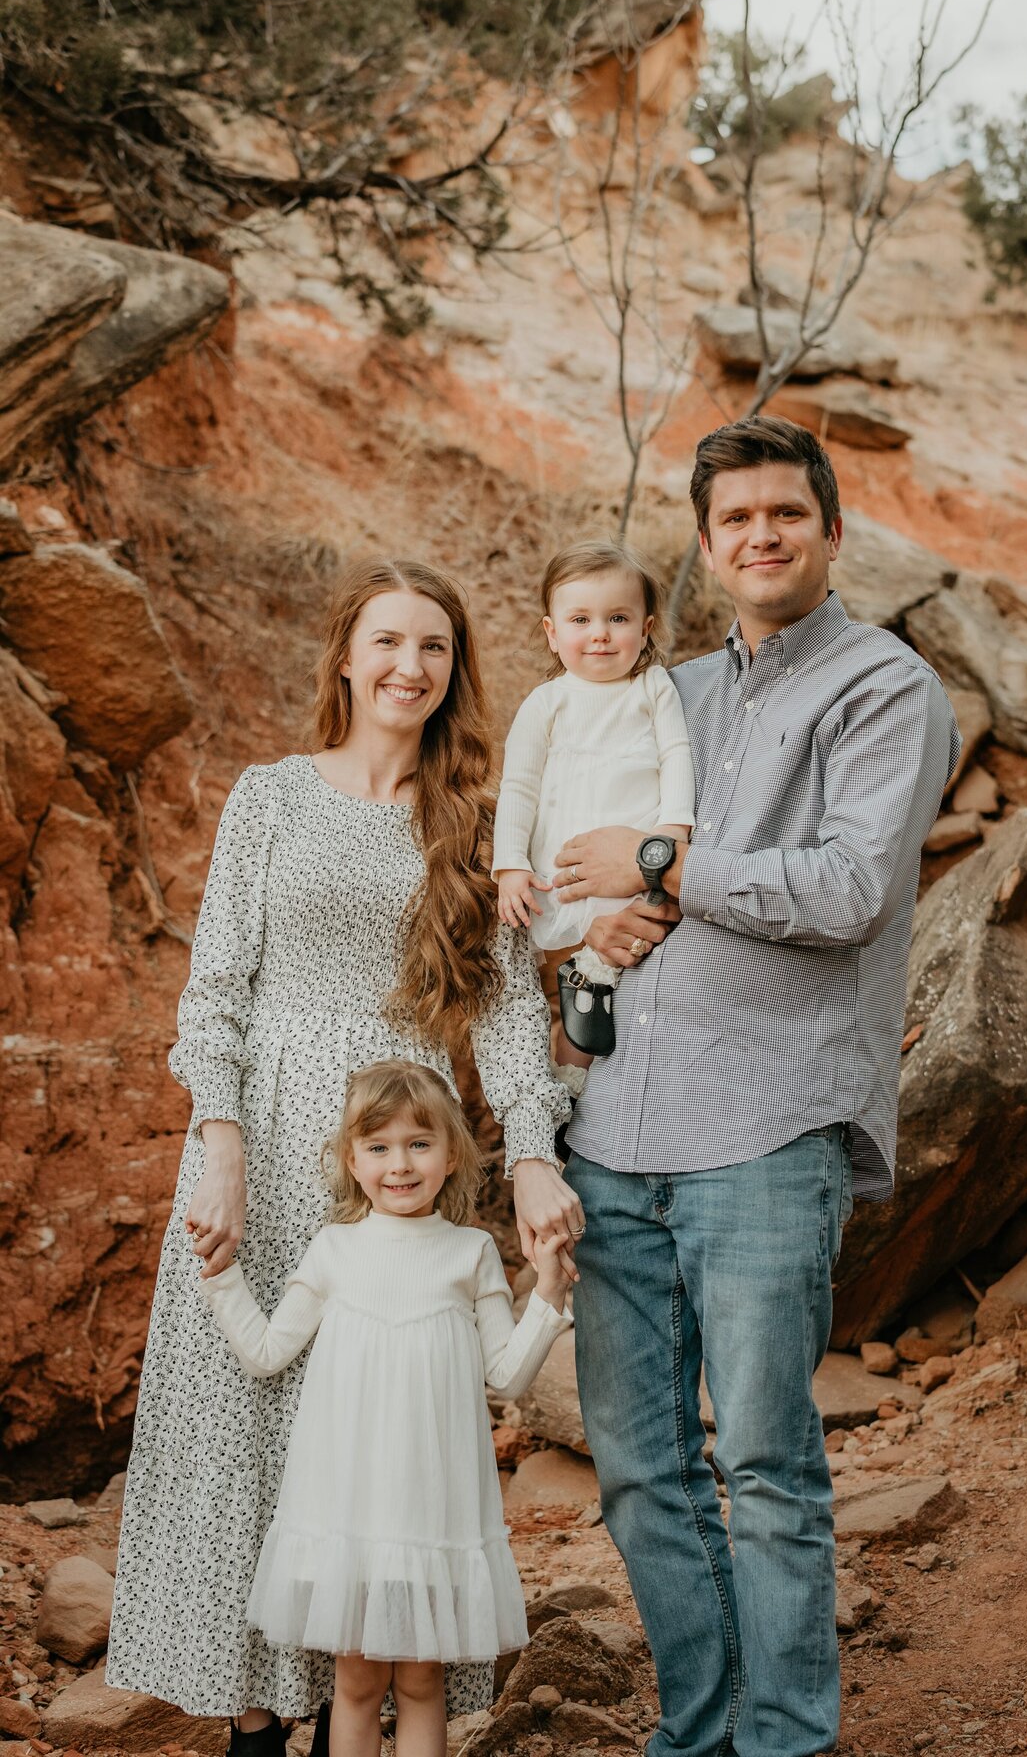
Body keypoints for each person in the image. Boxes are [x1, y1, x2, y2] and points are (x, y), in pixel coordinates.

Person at [532, 416, 961, 1757]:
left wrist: (657, 863)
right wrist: (582, 922)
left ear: (831, 531)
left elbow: (845, 890)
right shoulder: (674, 696)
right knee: (644, 1472)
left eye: (787, 513)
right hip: (614, 1128)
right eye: (736, 521)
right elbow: (571, 863)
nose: (762, 536)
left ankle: (784, 1742)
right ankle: (701, 1732)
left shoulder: (885, 689)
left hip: (767, 1130)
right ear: (707, 550)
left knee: (766, 1468)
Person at [108, 559, 579, 1755]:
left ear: (454, 670)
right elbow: (213, 992)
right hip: (259, 1145)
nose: (409, 667)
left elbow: (514, 1009)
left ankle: (358, 1715)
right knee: (247, 1416)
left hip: (402, 1158)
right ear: (345, 655)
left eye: (434, 647)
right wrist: (219, 1148)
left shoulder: (473, 820)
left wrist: (530, 1154)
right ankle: (258, 1719)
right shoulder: (269, 797)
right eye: (388, 642)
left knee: (379, 1441)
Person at [198, 1059, 572, 1757]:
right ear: (352, 1159)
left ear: (452, 1153)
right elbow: (268, 1351)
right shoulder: (335, 1248)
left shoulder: (471, 1253)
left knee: (423, 1683)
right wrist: (223, 1278)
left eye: (418, 1144)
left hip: (433, 1512)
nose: (399, 1164)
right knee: (358, 1682)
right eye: (378, 1147)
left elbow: (508, 1374)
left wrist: (548, 1289)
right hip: (348, 1509)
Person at [493, 538, 694, 1070]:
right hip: (561, 873)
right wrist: (510, 863)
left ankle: (594, 1084)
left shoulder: (653, 688)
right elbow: (519, 787)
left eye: (618, 618)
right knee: (562, 991)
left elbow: (676, 754)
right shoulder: (546, 703)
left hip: (632, 867)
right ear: (552, 633)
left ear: (646, 628)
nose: (600, 633)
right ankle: (558, 1093)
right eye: (580, 619)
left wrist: (673, 828)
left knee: (613, 974)